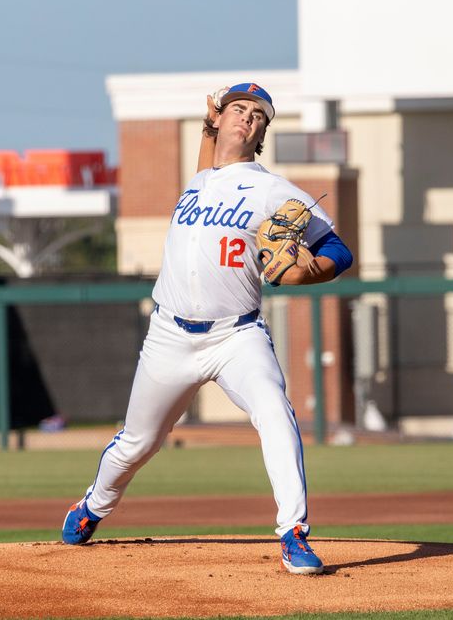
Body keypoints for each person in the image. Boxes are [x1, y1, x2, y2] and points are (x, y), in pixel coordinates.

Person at [62, 82, 353, 575]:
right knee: (138, 442)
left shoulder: (275, 190)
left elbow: (339, 252)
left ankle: (293, 533)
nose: (248, 118)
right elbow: (210, 160)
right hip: (169, 336)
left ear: (263, 132)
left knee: (275, 412)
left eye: (258, 115)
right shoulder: (198, 181)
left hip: (236, 336)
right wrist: (207, 123)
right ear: (218, 120)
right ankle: (93, 506)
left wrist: (309, 270)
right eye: (239, 109)